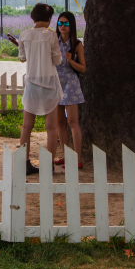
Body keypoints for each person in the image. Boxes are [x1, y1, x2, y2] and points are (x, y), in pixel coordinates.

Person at [10, 3, 62, 176]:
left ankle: (25, 164)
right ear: (49, 18)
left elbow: (22, 58)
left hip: (32, 83)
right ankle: (49, 165)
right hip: (49, 83)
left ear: (33, 17)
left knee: (26, 126)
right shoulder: (52, 35)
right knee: (52, 127)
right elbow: (58, 60)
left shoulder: (24, 34)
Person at [52, 11, 86, 169]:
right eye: (60, 23)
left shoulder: (77, 45)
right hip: (55, 84)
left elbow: (83, 68)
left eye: (66, 23)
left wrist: (71, 60)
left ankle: (78, 158)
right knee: (60, 122)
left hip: (70, 85)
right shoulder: (53, 41)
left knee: (73, 123)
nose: (63, 26)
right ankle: (65, 155)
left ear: (71, 25)